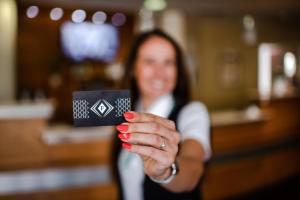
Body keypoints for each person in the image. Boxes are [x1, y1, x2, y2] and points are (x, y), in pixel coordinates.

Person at [112, 29, 211, 200]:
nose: (160, 72)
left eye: (168, 62)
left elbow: (193, 169)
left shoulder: (193, 112)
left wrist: (166, 171)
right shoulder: (126, 114)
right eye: (150, 61)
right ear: (133, 69)